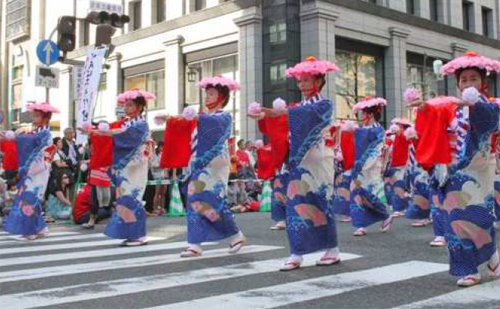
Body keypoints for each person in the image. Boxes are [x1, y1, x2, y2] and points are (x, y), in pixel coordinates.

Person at [411, 51, 500, 287]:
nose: (468, 83)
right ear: (458, 83)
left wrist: (476, 104)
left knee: (478, 215)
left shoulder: (491, 104)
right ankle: (470, 269)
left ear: (484, 82)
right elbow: (433, 120)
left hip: (480, 167)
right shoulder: (451, 107)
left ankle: (490, 253)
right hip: (454, 169)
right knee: (456, 219)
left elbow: (490, 122)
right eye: (464, 80)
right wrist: (422, 108)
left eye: (474, 78)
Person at [253, 56, 340, 271]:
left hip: (319, 159)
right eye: (299, 81)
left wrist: (281, 112)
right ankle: (297, 252)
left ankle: (332, 249)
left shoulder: (324, 104)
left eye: (306, 80)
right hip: (298, 161)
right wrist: (265, 115)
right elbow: (280, 124)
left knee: (321, 202)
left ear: (318, 81)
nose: (301, 85)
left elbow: (305, 115)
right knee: (295, 204)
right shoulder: (297, 107)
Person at [156, 74, 246, 258]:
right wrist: (170, 118)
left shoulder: (223, 116)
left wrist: (195, 117)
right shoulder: (203, 117)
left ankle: (235, 235)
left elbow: (212, 125)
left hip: (214, 163)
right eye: (207, 94)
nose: (207, 97)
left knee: (212, 200)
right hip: (199, 163)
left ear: (221, 97)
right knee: (194, 201)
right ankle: (195, 244)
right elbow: (187, 124)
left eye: (211, 94)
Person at [80, 89, 155, 246]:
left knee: (132, 197)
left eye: (130, 105)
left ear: (140, 107)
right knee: (125, 198)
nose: (126, 108)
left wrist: (97, 131)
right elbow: (114, 130)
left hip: (135, 165)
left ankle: (138, 236)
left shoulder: (140, 124)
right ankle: (134, 234)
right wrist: (94, 130)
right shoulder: (128, 122)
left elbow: (121, 134)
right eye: (125, 105)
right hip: (127, 167)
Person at [2, 103, 58, 240]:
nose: (34, 118)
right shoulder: (36, 131)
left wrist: (16, 137)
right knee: (31, 198)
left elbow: (31, 142)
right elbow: (26, 140)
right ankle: (40, 228)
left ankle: (29, 231)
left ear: (45, 118)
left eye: (37, 116)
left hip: (38, 170)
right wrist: (12, 136)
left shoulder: (45, 133)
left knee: (29, 198)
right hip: (33, 169)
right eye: (34, 115)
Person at [348, 97, 393, 237]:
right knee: (356, 194)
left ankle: (385, 215)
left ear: (370, 114)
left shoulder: (378, 130)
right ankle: (361, 224)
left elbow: (377, 150)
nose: (360, 116)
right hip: (359, 167)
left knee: (371, 196)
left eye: (363, 113)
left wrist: (365, 165)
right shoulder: (361, 129)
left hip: (371, 167)